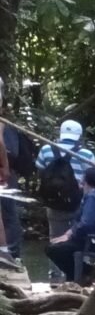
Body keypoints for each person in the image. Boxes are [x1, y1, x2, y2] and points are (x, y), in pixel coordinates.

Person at [35, 119, 95, 273]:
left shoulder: (46, 150)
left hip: (54, 203)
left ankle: (55, 277)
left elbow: (40, 171)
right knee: (80, 239)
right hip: (79, 203)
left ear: (61, 133)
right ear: (79, 136)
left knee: (55, 238)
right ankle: (81, 273)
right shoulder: (86, 153)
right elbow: (92, 177)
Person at [46, 164, 95, 285]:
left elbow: (87, 224)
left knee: (53, 249)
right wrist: (70, 232)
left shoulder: (92, 198)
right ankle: (82, 274)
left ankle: (82, 274)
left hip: (94, 241)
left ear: (87, 181)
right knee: (57, 246)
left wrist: (70, 235)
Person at [0, 83, 25, 263]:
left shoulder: (4, 127)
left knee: (8, 212)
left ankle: (11, 252)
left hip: (5, 175)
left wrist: (5, 167)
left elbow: (9, 150)